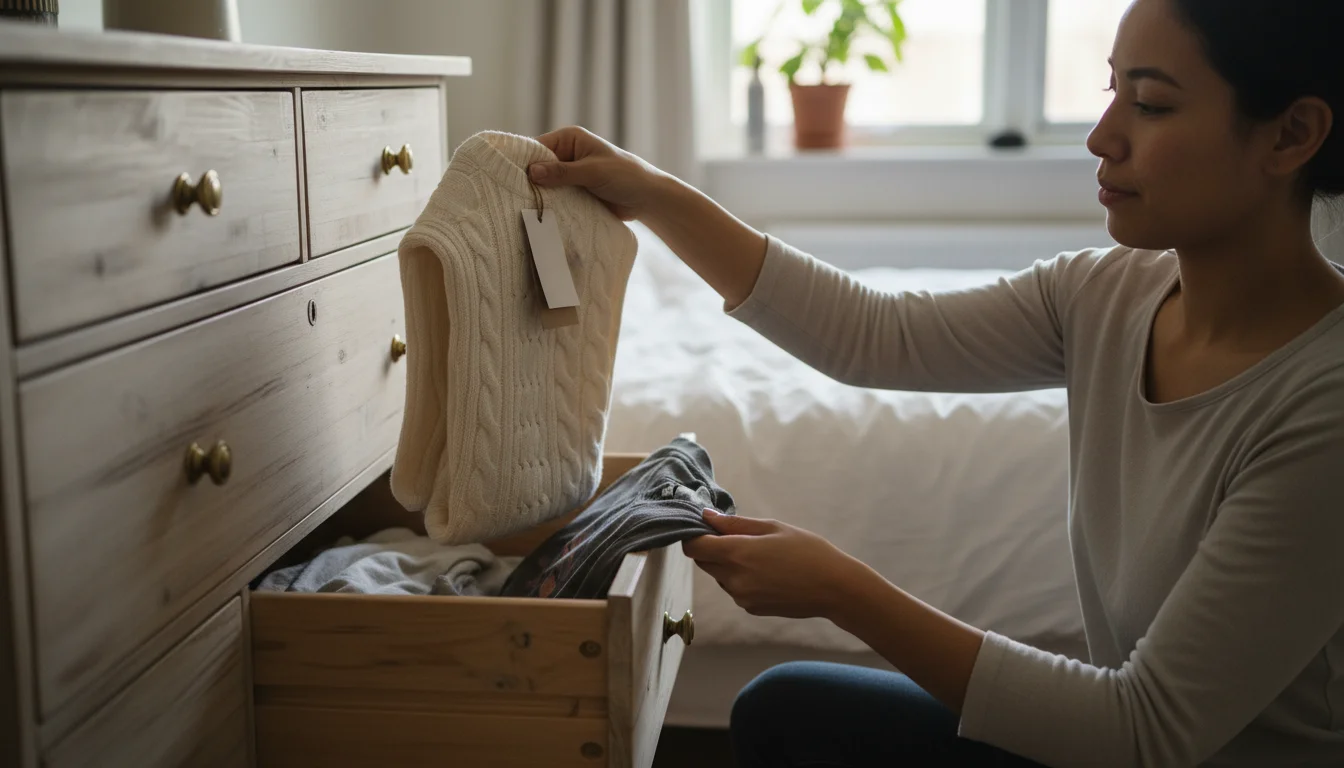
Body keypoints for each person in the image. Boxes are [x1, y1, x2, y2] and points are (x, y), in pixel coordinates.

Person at [525, 0, 1344, 764]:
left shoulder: (1323, 405)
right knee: (786, 707)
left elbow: (1144, 730)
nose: (1101, 136)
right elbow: (872, 334)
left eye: (1152, 105)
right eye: (1111, 92)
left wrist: (844, 590)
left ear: (1291, 135)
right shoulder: (1108, 295)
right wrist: (653, 193)